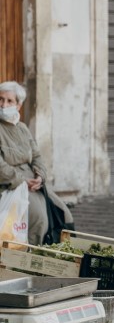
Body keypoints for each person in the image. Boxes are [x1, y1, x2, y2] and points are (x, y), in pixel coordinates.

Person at [0, 82, 74, 245]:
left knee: (63, 212)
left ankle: (56, 252)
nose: (3, 104)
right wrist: (22, 181)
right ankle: (31, 258)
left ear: (19, 105)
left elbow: (37, 156)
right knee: (39, 218)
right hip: (10, 184)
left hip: (33, 182)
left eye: (9, 101)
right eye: (0, 99)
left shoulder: (23, 128)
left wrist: (40, 176)